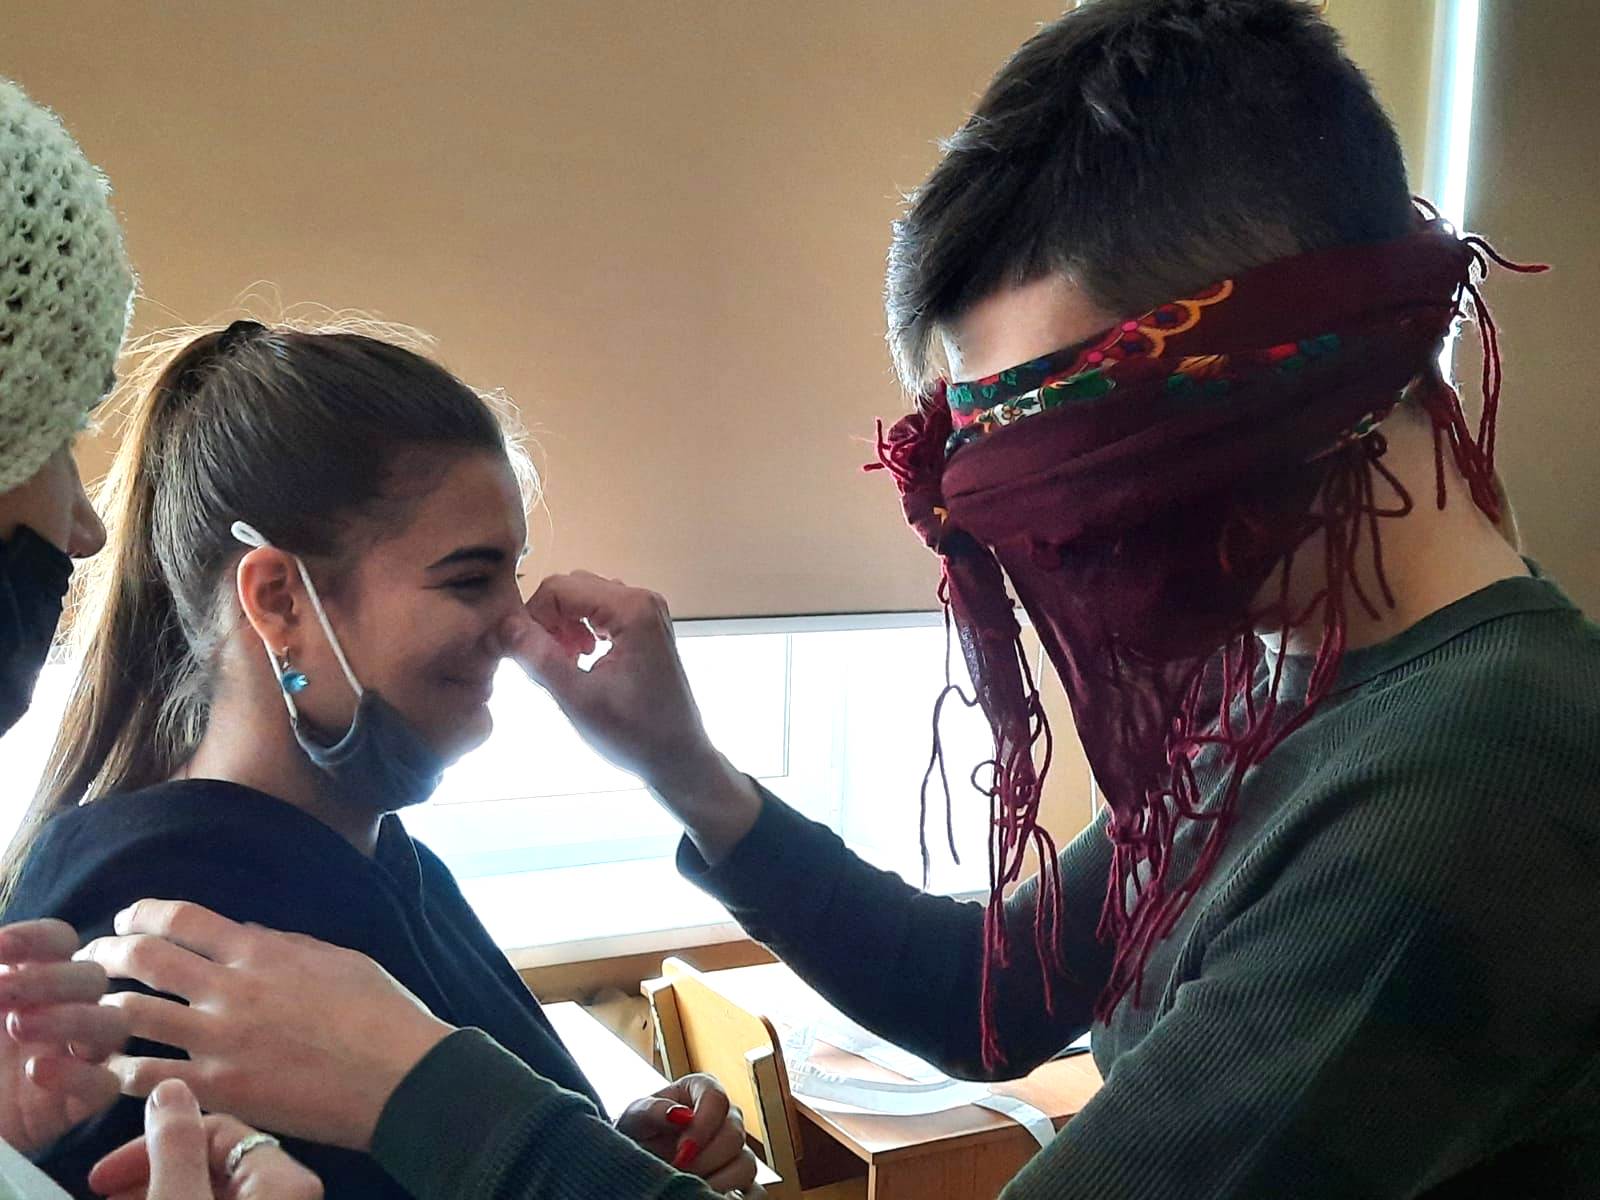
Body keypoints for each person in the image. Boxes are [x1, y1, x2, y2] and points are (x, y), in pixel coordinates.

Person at [87, 1, 1600, 1197]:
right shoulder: (1287, 685)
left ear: (1300, 362)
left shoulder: (1480, 777)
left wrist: (424, 1092)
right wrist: (682, 769)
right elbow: (990, 997)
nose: (1054, 545)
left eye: (1076, 462)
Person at [0, 322, 757, 1199]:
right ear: (280, 601)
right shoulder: (152, 929)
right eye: (469, 579)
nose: (521, 629)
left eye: (514, 576)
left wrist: (607, 1159)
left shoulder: (388, 860)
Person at [0, 77, 321, 1200]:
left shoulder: (384, 860)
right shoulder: (177, 895)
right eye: (47, 435)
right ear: (278, 599)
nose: (88, 528)